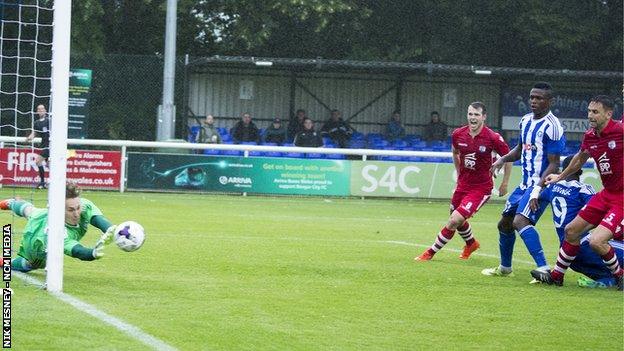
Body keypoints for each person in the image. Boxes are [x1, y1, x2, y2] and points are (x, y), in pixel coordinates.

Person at [530, 95, 623, 290]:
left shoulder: (620, 131)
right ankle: (557, 276)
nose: (590, 115)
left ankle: (619, 276)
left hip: (621, 198)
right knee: (571, 232)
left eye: (595, 112)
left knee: (597, 241)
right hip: (606, 194)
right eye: (589, 111)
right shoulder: (590, 135)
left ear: (609, 114)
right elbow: (579, 160)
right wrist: (559, 177)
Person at [482, 82, 565, 278]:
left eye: (539, 98)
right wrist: (502, 159)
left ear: (549, 101)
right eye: (532, 97)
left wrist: (537, 189)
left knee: (520, 221)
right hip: (524, 185)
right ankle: (505, 268)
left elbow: (554, 164)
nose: (534, 101)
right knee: (504, 224)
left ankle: (544, 269)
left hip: (542, 184)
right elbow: (520, 149)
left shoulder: (553, 127)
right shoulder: (526, 120)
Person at [416, 102, 512, 261]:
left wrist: (505, 183)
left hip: (481, 188)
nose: (472, 117)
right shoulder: (458, 134)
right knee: (457, 218)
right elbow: (455, 153)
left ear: (484, 117)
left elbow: (509, 159)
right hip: (463, 185)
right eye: (470, 114)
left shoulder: (493, 138)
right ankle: (471, 243)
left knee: (455, 219)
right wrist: (459, 173)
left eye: (476, 115)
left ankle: (430, 253)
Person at [533, 155, 623, 288]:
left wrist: (533, 195)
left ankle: (606, 280)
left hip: (567, 252)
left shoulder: (552, 188)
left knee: (583, 247)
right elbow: (600, 212)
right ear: (581, 172)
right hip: (585, 246)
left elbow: (539, 198)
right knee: (603, 241)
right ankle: (617, 277)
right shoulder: (583, 189)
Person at [0, 182, 117, 272]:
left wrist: (112, 230)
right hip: (37, 240)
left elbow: (97, 218)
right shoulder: (58, 234)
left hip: (42, 215)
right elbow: (77, 251)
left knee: (31, 211)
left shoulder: (84, 205)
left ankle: (11, 202)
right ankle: (4, 263)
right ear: (59, 209)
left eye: (77, 208)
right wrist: (92, 253)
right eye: (71, 210)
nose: (76, 213)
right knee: (34, 263)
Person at [26, 104, 49, 189]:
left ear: (45, 110)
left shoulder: (49, 120)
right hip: (44, 145)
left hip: (50, 145)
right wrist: (29, 138)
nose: (41, 110)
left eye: (42, 109)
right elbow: (34, 133)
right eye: (39, 109)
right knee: (49, 165)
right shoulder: (36, 123)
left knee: (38, 161)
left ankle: (42, 182)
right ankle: (45, 183)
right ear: (37, 111)